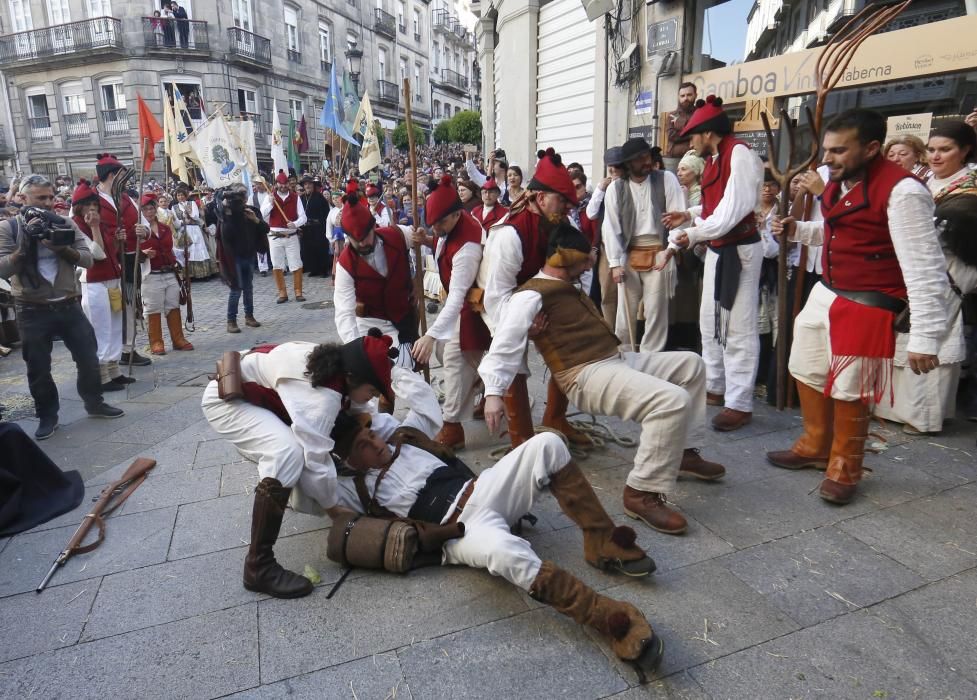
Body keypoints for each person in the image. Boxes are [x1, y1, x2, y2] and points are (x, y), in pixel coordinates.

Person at [328, 370, 664, 678]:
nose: (375, 443)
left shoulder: (406, 437)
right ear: (349, 462)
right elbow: (308, 481)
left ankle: (601, 540)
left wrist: (383, 370)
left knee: (547, 444)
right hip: (459, 533)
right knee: (504, 553)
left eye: (371, 435)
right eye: (364, 446)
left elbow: (421, 396)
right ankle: (604, 615)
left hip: (482, 489)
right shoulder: (354, 490)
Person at [480, 223, 724, 534]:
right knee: (671, 400)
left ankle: (683, 453)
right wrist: (493, 393)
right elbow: (504, 341)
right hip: (585, 375)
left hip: (616, 361)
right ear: (565, 260)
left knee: (692, 365)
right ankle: (641, 492)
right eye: (584, 260)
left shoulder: (568, 285)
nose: (589, 265)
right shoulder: (529, 297)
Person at [768, 108, 950, 504]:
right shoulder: (840, 179)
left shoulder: (904, 192)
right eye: (826, 150)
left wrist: (926, 335)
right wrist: (800, 230)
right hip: (828, 290)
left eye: (838, 150)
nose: (827, 159)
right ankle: (816, 445)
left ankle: (845, 466)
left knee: (851, 386)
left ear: (871, 148)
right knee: (805, 366)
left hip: (868, 302)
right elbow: (840, 229)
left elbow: (925, 268)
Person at [200, 331, 397, 598]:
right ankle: (258, 566)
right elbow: (315, 458)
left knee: (301, 450)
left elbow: (361, 412)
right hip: (227, 401)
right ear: (352, 377)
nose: (371, 398)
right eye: (371, 391)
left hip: (251, 389)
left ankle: (285, 492)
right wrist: (334, 508)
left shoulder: (336, 365)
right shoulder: (323, 395)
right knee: (287, 453)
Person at [476, 147, 591, 449]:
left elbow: (575, 268)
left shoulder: (559, 223)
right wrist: (524, 328)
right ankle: (522, 441)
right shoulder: (510, 237)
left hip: (538, 297)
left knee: (570, 343)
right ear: (540, 198)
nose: (567, 208)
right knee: (513, 357)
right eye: (561, 201)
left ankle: (555, 418)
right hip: (501, 303)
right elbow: (496, 299)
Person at [662, 96, 765, 432]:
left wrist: (691, 234)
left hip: (741, 252)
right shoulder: (718, 158)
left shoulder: (740, 155)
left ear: (707, 133)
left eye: (693, 136)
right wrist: (690, 214)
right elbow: (714, 209)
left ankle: (740, 402)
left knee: (738, 329)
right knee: (710, 323)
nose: (690, 143)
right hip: (720, 250)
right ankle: (716, 386)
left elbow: (732, 212)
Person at [0, 174, 124, 440]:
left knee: (89, 359)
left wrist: (61, 249)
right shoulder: (8, 228)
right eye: (40, 198)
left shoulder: (65, 224)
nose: (47, 203)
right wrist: (25, 246)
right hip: (31, 308)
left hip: (68, 304)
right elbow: (2, 268)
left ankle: (94, 402)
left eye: (50, 197)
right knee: (39, 368)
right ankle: (48, 416)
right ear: (22, 199)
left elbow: (89, 260)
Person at [875, 122, 977, 433]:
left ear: (965, 151)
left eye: (945, 150)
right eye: (932, 149)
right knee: (907, 337)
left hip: (950, 273)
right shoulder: (925, 179)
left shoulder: (970, 186)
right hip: (917, 268)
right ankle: (897, 409)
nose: (935, 155)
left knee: (935, 339)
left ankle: (925, 418)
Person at [410, 176, 491, 449]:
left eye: (440, 223)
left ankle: (452, 427)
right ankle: (487, 384)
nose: (436, 228)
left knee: (455, 358)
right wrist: (428, 240)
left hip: (474, 307)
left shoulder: (467, 247)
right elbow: (443, 244)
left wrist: (430, 335)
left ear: (457, 213)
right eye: (432, 223)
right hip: (461, 303)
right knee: (447, 352)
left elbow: (457, 297)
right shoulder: (450, 227)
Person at [603, 137, 686, 352]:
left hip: (660, 250)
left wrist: (671, 249)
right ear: (628, 163)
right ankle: (624, 356)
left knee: (656, 311)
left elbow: (680, 217)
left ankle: (652, 358)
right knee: (625, 313)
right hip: (627, 254)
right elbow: (610, 227)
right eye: (640, 159)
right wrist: (614, 263)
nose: (646, 161)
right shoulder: (615, 189)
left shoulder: (667, 179)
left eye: (647, 156)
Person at [333, 188, 419, 366]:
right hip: (371, 323)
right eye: (357, 240)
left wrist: (419, 279)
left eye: (366, 236)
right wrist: (357, 351)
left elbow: (421, 239)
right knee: (381, 369)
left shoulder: (398, 235)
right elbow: (344, 313)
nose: (363, 243)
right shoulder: (345, 264)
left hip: (404, 318)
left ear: (374, 226)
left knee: (408, 366)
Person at [72, 179, 130, 392]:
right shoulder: (76, 226)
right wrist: (94, 227)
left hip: (112, 279)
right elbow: (97, 253)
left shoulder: (101, 224)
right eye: (89, 206)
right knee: (101, 327)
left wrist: (117, 240)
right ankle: (101, 374)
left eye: (95, 206)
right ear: (80, 208)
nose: (93, 210)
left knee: (115, 325)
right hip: (94, 281)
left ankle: (114, 368)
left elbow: (110, 252)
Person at [94, 154, 152, 367]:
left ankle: (128, 349)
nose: (125, 180)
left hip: (129, 260)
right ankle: (109, 355)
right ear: (112, 175)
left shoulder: (126, 199)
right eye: (121, 174)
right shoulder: (91, 199)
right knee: (110, 310)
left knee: (129, 306)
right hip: (106, 264)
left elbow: (145, 226)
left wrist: (142, 231)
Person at [138, 194, 194, 355]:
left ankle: (178, 339)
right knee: (153, 309)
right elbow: (133, 253)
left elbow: (169, 248)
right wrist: (142, 253)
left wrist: (182, 255)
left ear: (156, 209)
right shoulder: (139, 231)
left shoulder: (164, 227)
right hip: (151, 274)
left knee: (173, 305)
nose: (149, 212)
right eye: (145, 209)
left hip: (169, 271)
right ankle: (156, 342)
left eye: (151, 208)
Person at [212, 183, 268, 333]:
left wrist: (255, 219)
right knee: (236, 289)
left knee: (248, 287)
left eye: (242, 197)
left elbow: (265, 229)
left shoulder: (251, 211)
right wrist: (227, 212)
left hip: (249, 255)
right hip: (233, 258)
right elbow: (226, 235)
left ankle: (249, 316)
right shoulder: (225, 215)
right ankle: (231, 320)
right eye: (238, 197)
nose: (241, 201)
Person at [586, 148, 625, 328]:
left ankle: (625, 334)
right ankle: (611, 333)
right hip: (605, 248)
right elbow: (591, 213)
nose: (613, 172)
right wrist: (600, 189)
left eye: (617, 168)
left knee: (626, 296)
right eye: (611, 168)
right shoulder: (605, 186)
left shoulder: (628, 186)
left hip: (626, 247)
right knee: (607, 294)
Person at [261, 170, 307, 303]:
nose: (282, 186)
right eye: (280, 184)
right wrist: (270, 203)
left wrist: (295, 223)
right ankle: (282, 292)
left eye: (285, 183)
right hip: (275, 236)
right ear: (276, 184)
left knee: (296, 263)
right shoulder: (270, 197)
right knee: (277, 264)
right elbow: (263, 214)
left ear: (288, 184)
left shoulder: (295, 197)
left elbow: (303, 217)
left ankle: (298, 291)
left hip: (291, 235)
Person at [173, 186, 216, 280]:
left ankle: (203, 274)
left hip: (194, 229)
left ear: (185, 196)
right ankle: (190, 275)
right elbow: (175, 220)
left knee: (198, 249)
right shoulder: (174, 207)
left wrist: (189, 212)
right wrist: (182, 221)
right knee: (187, 251)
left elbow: (196, 216)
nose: (180, 197)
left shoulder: (191, 203)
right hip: (183, 230)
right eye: (178, 195)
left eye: (182, 195)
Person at [299, 176, 331, 278]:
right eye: (305, 184)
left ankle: (324, 270)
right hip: (306, 229)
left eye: (309, 184)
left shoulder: (320, 197)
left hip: (318, 228)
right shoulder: (301, 198)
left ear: (313, 185)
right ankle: (314, 269)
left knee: (320, 249)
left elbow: (326, 213)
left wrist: (320, 222)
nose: (307, 186)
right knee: (309, 250)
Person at [665, 83, 698, 168]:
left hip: (696, 159)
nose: (685, 98)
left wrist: (680, 123)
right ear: (678, 97)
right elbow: (672, 136)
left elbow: (700, 131)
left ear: (695, 95)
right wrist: (692, 134)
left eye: (689, 95)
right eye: (682, 96)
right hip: (674, 160)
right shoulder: (672, 116)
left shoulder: (700, 113)